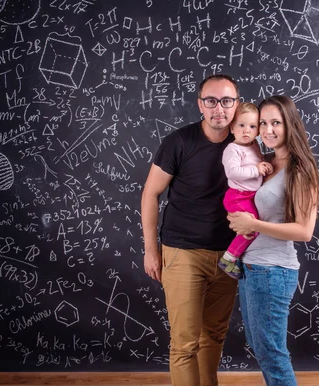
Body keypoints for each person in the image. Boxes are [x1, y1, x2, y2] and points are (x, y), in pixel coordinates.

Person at [141, 74, 241, 386]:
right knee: (185, 343)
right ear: (200, 105)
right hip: (183, 252)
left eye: (226, 101)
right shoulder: (179, 142)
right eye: (211, 101)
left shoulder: (246, 145)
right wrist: (151, 250)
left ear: (236, 105)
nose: (219, 109)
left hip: (228, 257)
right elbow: (150, 194)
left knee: (213, 336)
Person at [227, 95, 319, 386]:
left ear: (290, 124)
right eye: (263, 123)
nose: (268, 130)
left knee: (271, 352)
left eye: (276, 123)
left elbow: (305, 231)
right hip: (251, 268)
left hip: (273, 271)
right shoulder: (264, 162)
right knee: (262, 349)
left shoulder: (301, 170)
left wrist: (253, 224)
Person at [218, 102, 274, 279]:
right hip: (237, 197)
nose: (246, 131)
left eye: (252, 126)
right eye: (241, 125)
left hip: (250, 196)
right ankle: (229, 258)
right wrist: (256, 170)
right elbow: (233, 172)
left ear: (257, 130)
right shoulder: (232, 149)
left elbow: (257, 163)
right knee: (251, 228)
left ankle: (236, 256)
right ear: (232, 127)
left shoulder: (254, 145)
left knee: (253, 226)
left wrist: (264, 165)